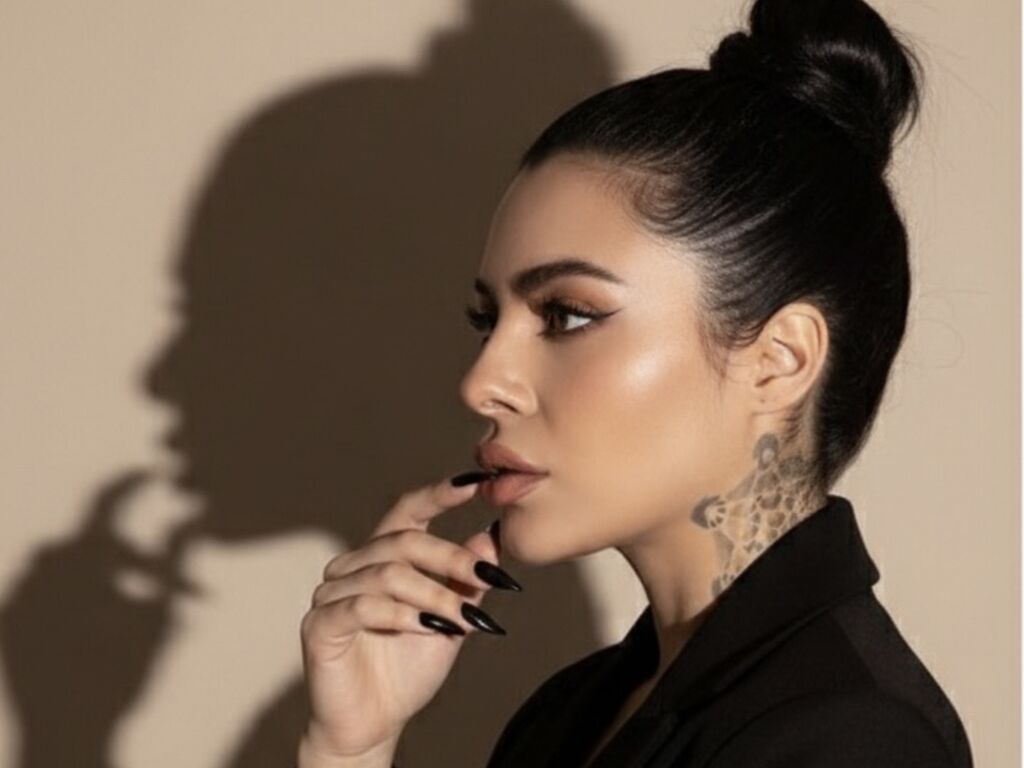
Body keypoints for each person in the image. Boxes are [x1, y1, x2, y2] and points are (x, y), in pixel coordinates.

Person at [295, 0, 974, 765]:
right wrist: (352, 747)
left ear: (779, 359)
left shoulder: (851, 740)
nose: (482, 383)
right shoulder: (570, 714)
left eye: (567, 315)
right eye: (489, 322)